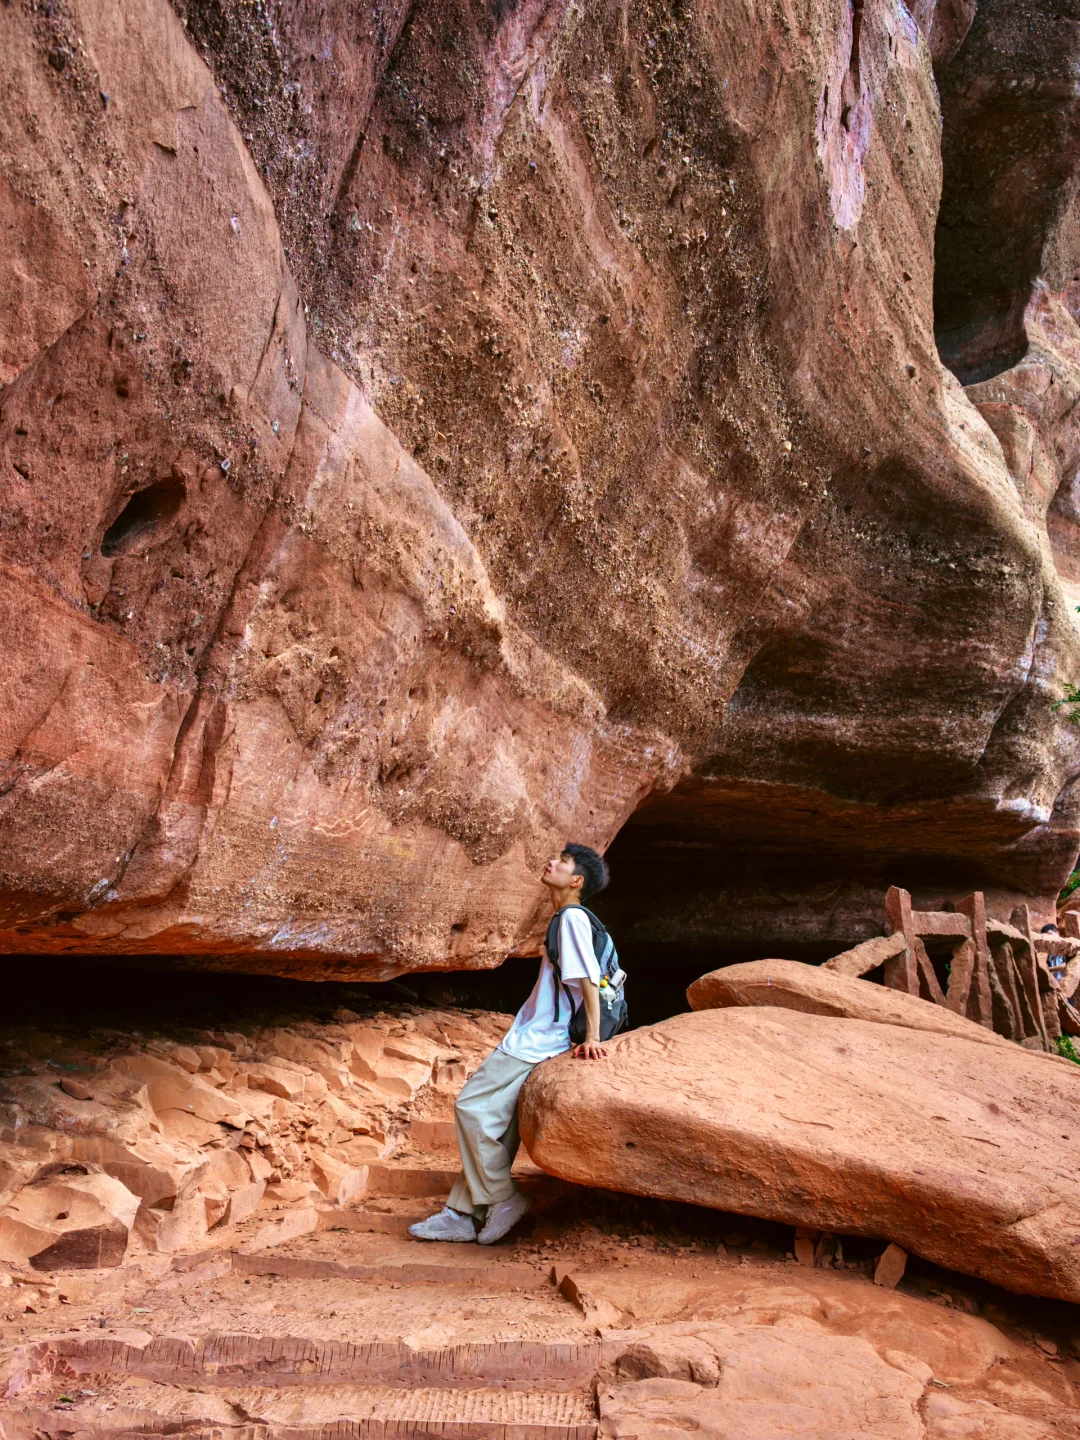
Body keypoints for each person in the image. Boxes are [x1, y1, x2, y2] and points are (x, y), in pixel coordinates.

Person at [408, 843, 610, 1245]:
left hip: (535, 1041)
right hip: (539, 1037)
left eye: (563, 862)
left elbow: (588, 979)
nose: (551, 862)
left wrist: (592, 1037)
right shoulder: (565, 917)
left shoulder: (571, 918)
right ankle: (460, 1215)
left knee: (470, 1107)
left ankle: (503, 1198)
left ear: (576, 880)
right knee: (495, 1126)